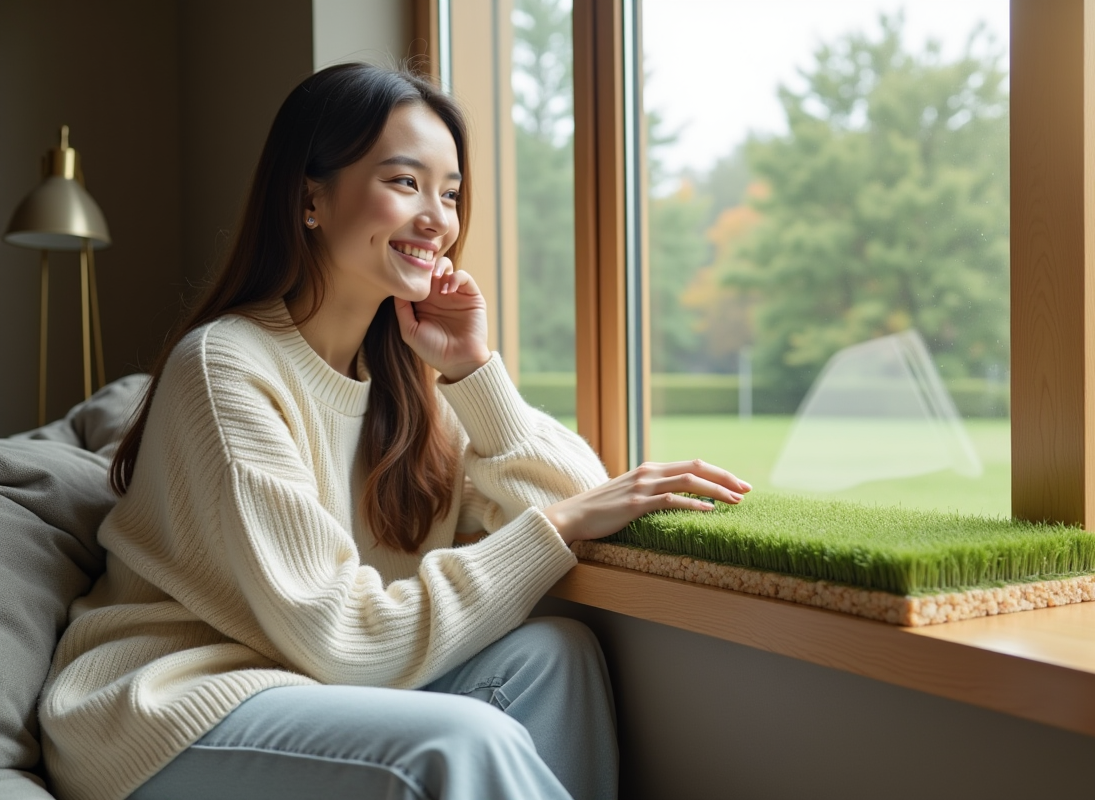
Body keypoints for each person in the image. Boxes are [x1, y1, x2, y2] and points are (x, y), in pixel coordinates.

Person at [39, 63, 750, 800]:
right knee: (462, 743)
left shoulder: (406, 384)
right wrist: (559, 525)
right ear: (311, 198)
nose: (438, 218)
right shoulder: (226, 369)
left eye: (450, 193)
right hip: (165, 708)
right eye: (405, 183)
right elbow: (345, 639)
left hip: (302, 684)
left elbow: (585, 500)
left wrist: (476, 373)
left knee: (555, 653)